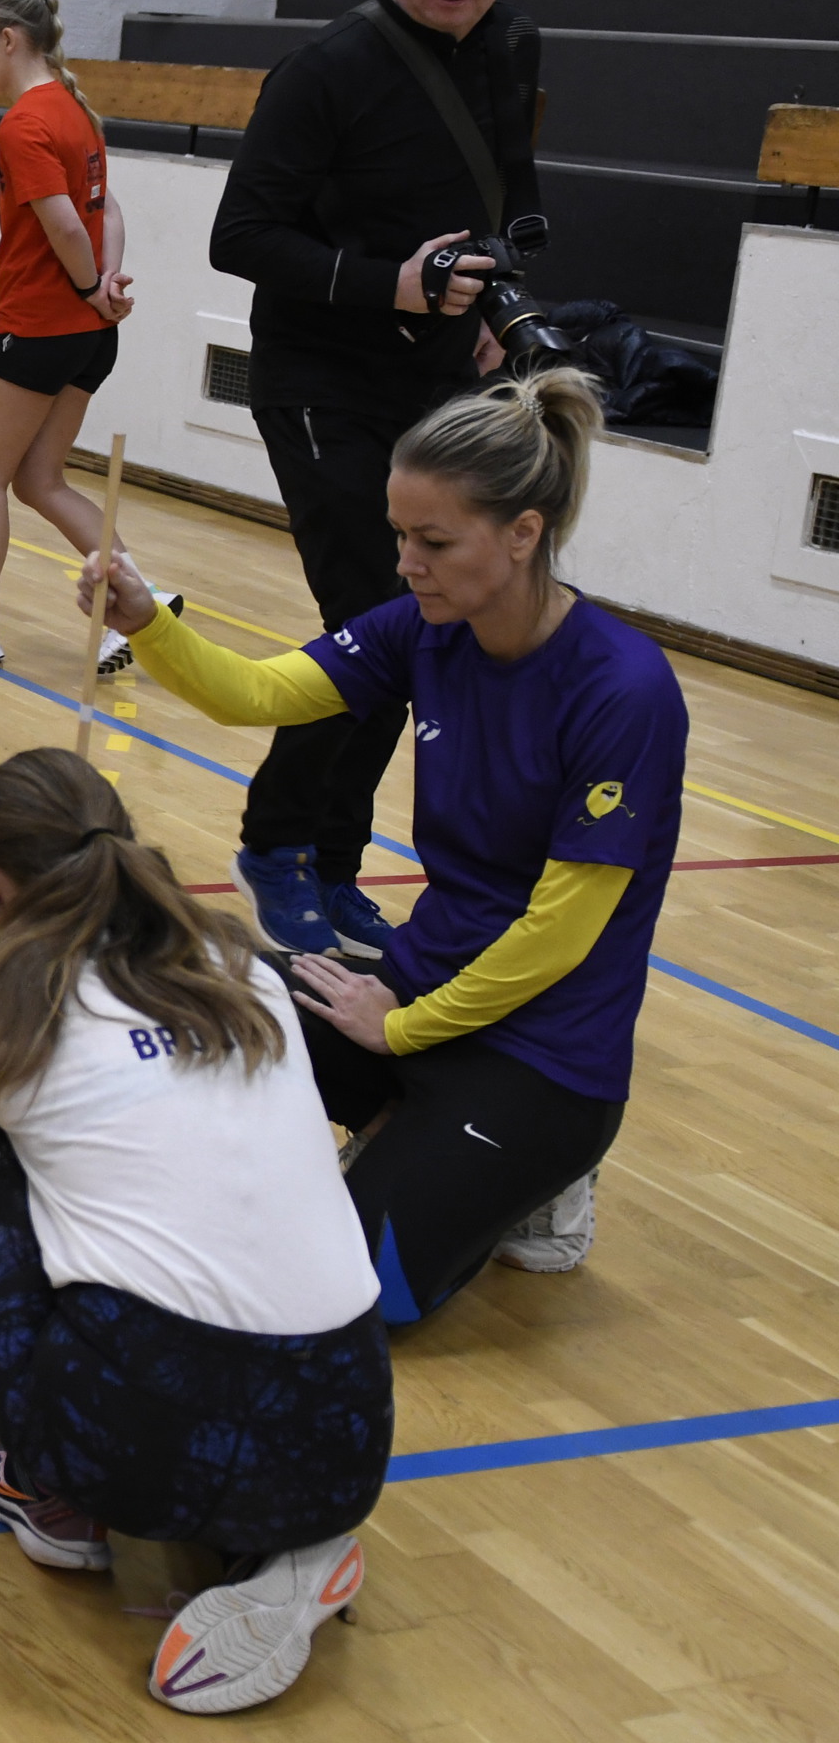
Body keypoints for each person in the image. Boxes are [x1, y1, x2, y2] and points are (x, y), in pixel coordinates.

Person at [0, 749, 388, 1716]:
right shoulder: (241, 962)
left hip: (128, 1454)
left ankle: (51, 1491)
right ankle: (287, 1542)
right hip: (348, 1434)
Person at [83, 367, 679, 1305]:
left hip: (542, 1053)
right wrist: (147, 623)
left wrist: (401, 1029)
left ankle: (531, 1180)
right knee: (193, 1007)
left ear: (523, 534)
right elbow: (257, 693)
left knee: (358, 1293)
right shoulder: (423, 628)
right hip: (412, 991)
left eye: (433, 542)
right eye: (400, 535)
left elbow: (560, 935)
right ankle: (413, 1133)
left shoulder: (623, 690)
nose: (405, 563)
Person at [208, 0, 542, 956]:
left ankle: (333, 861)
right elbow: (240, 236)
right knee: (374, 623)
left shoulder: (511, 46)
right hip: (319, 379)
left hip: (438, 380)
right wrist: (387, 282)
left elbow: (512, 198)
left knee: (423, 625)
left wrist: (496, 301)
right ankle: (279, 848)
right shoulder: (325, 69)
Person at [0, 0, 174, 675]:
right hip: (89, 335)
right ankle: (142, 599)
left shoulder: (25, 124)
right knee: (41, 480)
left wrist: (87, 285)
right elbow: (107, 212)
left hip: (38, 326)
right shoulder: (76, 110)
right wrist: (107, 285)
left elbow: (66, 226)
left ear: (9, 38)